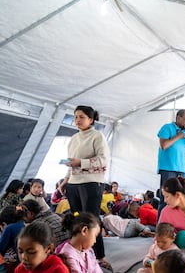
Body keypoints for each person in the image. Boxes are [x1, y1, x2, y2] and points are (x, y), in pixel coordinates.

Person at [57, 105, 111, 270]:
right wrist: (66, 180)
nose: (77, 120)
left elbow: (103, 161)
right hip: (74, 183)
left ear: (91, 119)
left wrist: (80, 162)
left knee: (92, 220)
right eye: (75, 117)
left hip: (91, 183)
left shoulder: (97, 136)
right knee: (77, 219)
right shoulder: (73, 139)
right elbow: (71, 162)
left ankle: (99, 256)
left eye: (81, 117)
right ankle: (80, 252)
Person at [157, 109, 185, 217]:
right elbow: (164, 145)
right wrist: (178, 136)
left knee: (179, 199)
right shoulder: (167, 127)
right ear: (178, 117)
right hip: (168, 168)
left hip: (181, 170)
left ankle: (174, 225)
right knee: (166, 198)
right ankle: (161, 226)